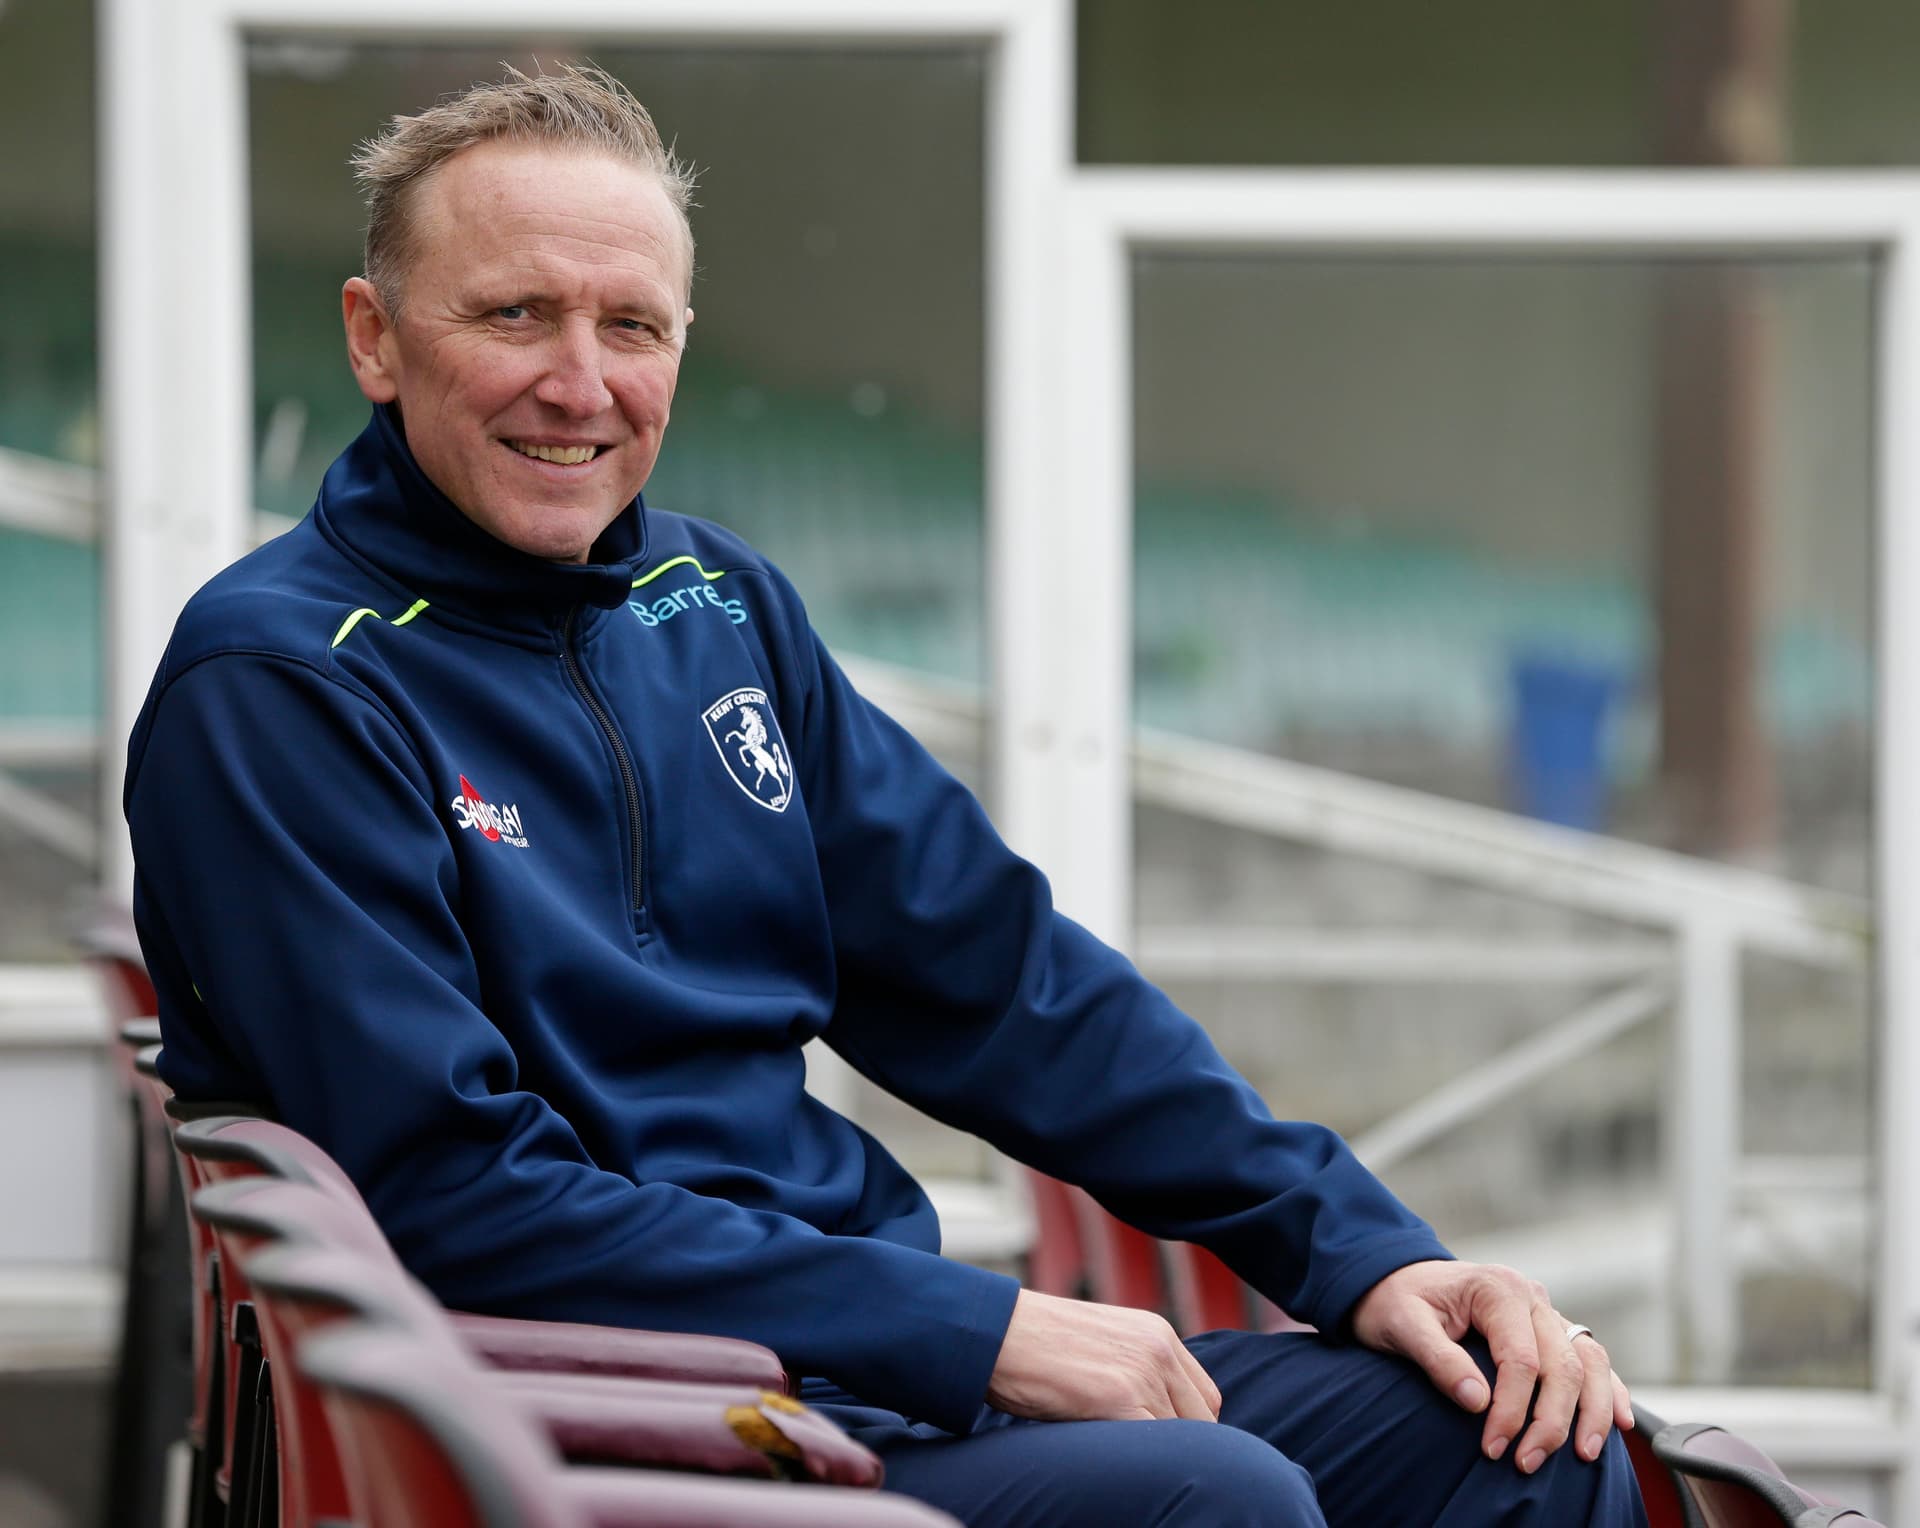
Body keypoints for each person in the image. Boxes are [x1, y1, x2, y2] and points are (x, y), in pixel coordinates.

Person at [125, 65, 1646, 1526]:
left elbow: (1002, 981)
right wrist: (973, 1328)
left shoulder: (716, 603)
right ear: (376, 338)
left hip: (868, 1377)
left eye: (631, 325)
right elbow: (450, 1194)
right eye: (515, 314)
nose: (579, 384)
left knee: (1528, 1450)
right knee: (1213, 1496)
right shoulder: (278, 685)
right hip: (618, 1428)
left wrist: (1368, 1255)